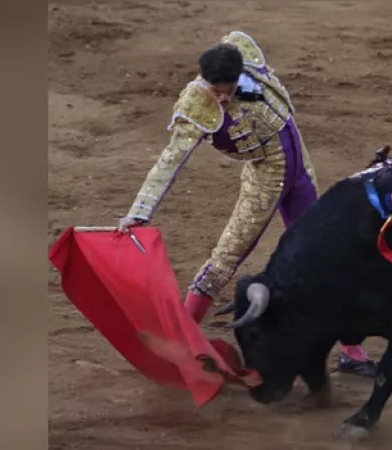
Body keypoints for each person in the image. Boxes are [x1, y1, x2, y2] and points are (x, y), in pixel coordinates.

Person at [117, 31, 378, 378]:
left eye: (227, 88)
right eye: (216, 89)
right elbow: (169, 161)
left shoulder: (242, 51)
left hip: (299, 167)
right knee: (226, 257)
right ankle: (176, 339)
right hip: (265, 180)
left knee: (325, 256)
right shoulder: (196, 104)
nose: (222, 97)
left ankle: (351, 351)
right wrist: (139, 212)